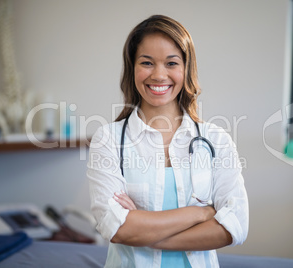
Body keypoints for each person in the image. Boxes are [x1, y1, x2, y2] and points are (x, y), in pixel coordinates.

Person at [87, 14, 248, 267]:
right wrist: (202, 213)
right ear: (133, 68)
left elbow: (234, 227)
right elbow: (116, 229)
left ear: (186, 69)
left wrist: (143, 230)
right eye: (147, 63)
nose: (159, 75)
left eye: (171, 63)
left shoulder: (216, 139)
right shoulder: (107, 139)